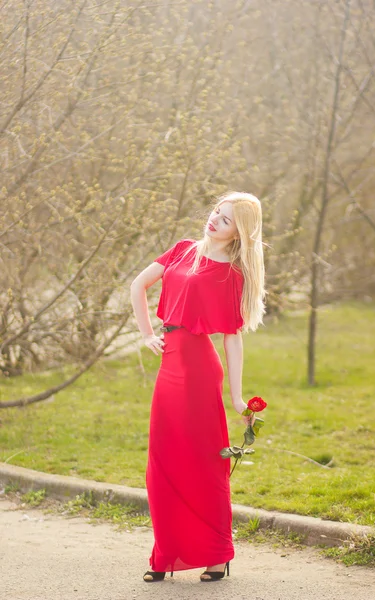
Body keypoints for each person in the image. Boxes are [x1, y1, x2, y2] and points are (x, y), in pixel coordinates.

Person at [130, 190, 267, 583]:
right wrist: (145, 335)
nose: (214, 221)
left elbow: (232, 337)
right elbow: (137, 286)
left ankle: (215, 554)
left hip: (200, 373)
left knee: (205, 463)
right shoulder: (182, 249)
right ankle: (166, 553)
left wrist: (237, 397)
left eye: (225, 220)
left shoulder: (232, 274)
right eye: (215, 212)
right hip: (169, 367)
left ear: (238, 232)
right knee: (163, 461)